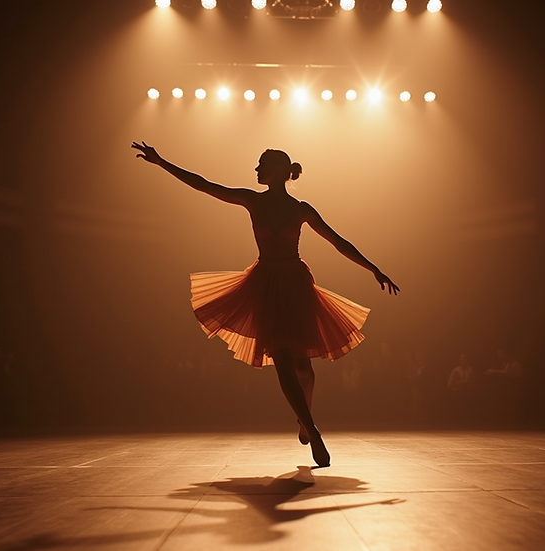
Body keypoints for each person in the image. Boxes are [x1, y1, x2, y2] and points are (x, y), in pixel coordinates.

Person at [133, 142, 399, 467]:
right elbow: (205, 185)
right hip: (265, 284)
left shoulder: (301, 209)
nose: (256, 170)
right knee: (284, 360)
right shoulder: (252, 200)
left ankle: (304, 419)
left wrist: (373, 268)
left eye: (261, 165)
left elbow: (337, 240)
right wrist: (162, 163)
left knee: (304, 366)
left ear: (277, 171)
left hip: (296, 284)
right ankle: (314, 431)